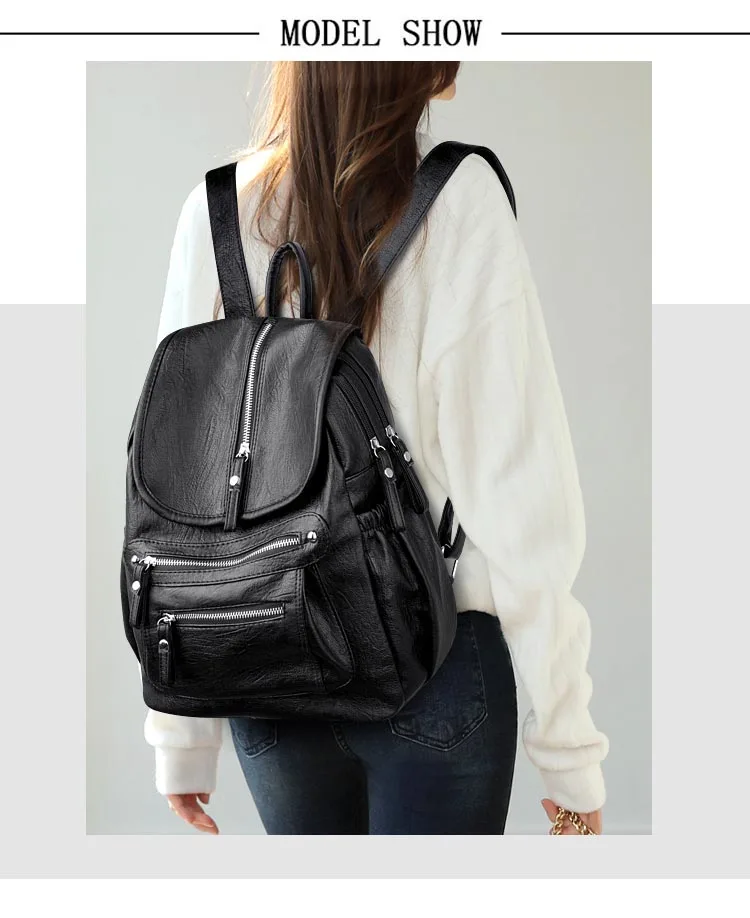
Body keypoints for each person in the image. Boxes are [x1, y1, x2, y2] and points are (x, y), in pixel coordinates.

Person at [142, 61, 609, 836]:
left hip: (266, 666)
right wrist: (568, 747)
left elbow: (179, 491)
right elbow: (522, 498)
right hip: (434, 665)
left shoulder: (217, 211)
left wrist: (181, 739)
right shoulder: (458, 201)